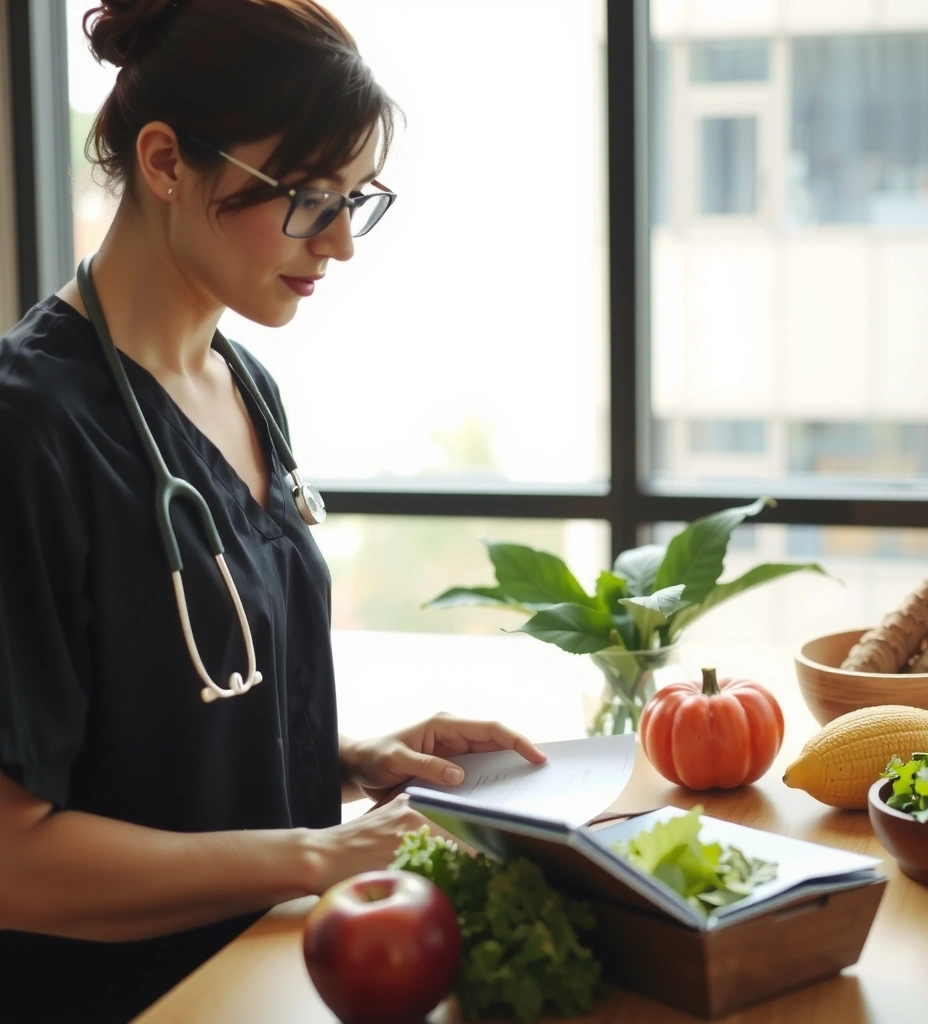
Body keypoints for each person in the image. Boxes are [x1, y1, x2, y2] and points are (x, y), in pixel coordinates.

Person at [0, 2, 546, 1020]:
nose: (339, 243)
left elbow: (159, 724)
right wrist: (319, 852)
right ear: (165, 161)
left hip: (274, 974)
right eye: (306, 198)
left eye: (355, 199)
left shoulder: (244, 385)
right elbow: (14, 858)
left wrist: (347, 760)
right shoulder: (28, 430)